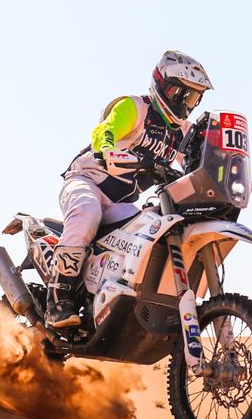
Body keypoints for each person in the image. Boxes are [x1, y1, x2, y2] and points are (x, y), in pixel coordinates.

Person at [45, 50, 213, 329]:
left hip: (120, 201)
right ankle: (58, 300)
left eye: (193, 96)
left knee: (148, 230)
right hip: (88, 181)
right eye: (179, 92)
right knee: (86, 213)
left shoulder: (181, 132)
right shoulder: (135, 107)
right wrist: (108, 149)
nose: (185, 102)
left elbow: (195, 165)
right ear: (160, 84)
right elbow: (103, 131)